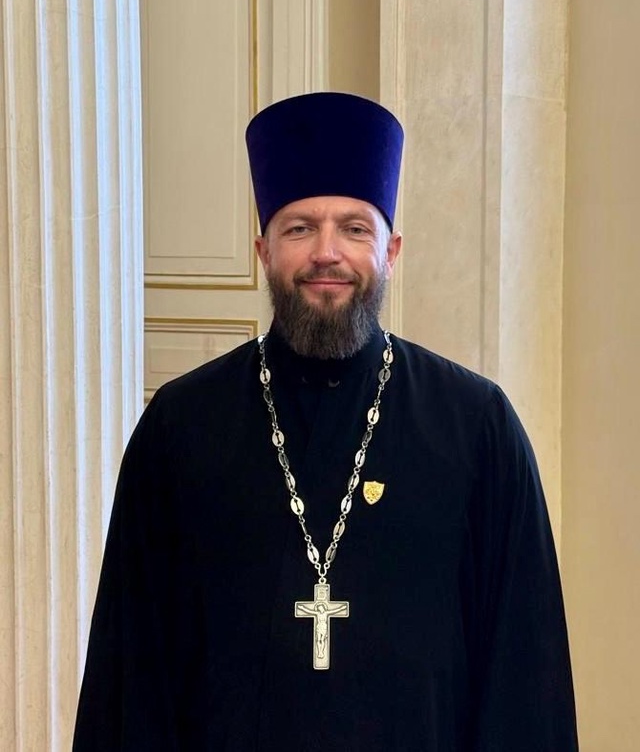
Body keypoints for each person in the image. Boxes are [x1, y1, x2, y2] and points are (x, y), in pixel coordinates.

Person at [73, 92, 578, 750]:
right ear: (263, 250)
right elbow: (132, 677)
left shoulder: (478, 429)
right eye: (299, 228)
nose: (327, 252)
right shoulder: (179, 429)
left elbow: (524, 680)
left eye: (355, 228)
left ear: (392, 251)